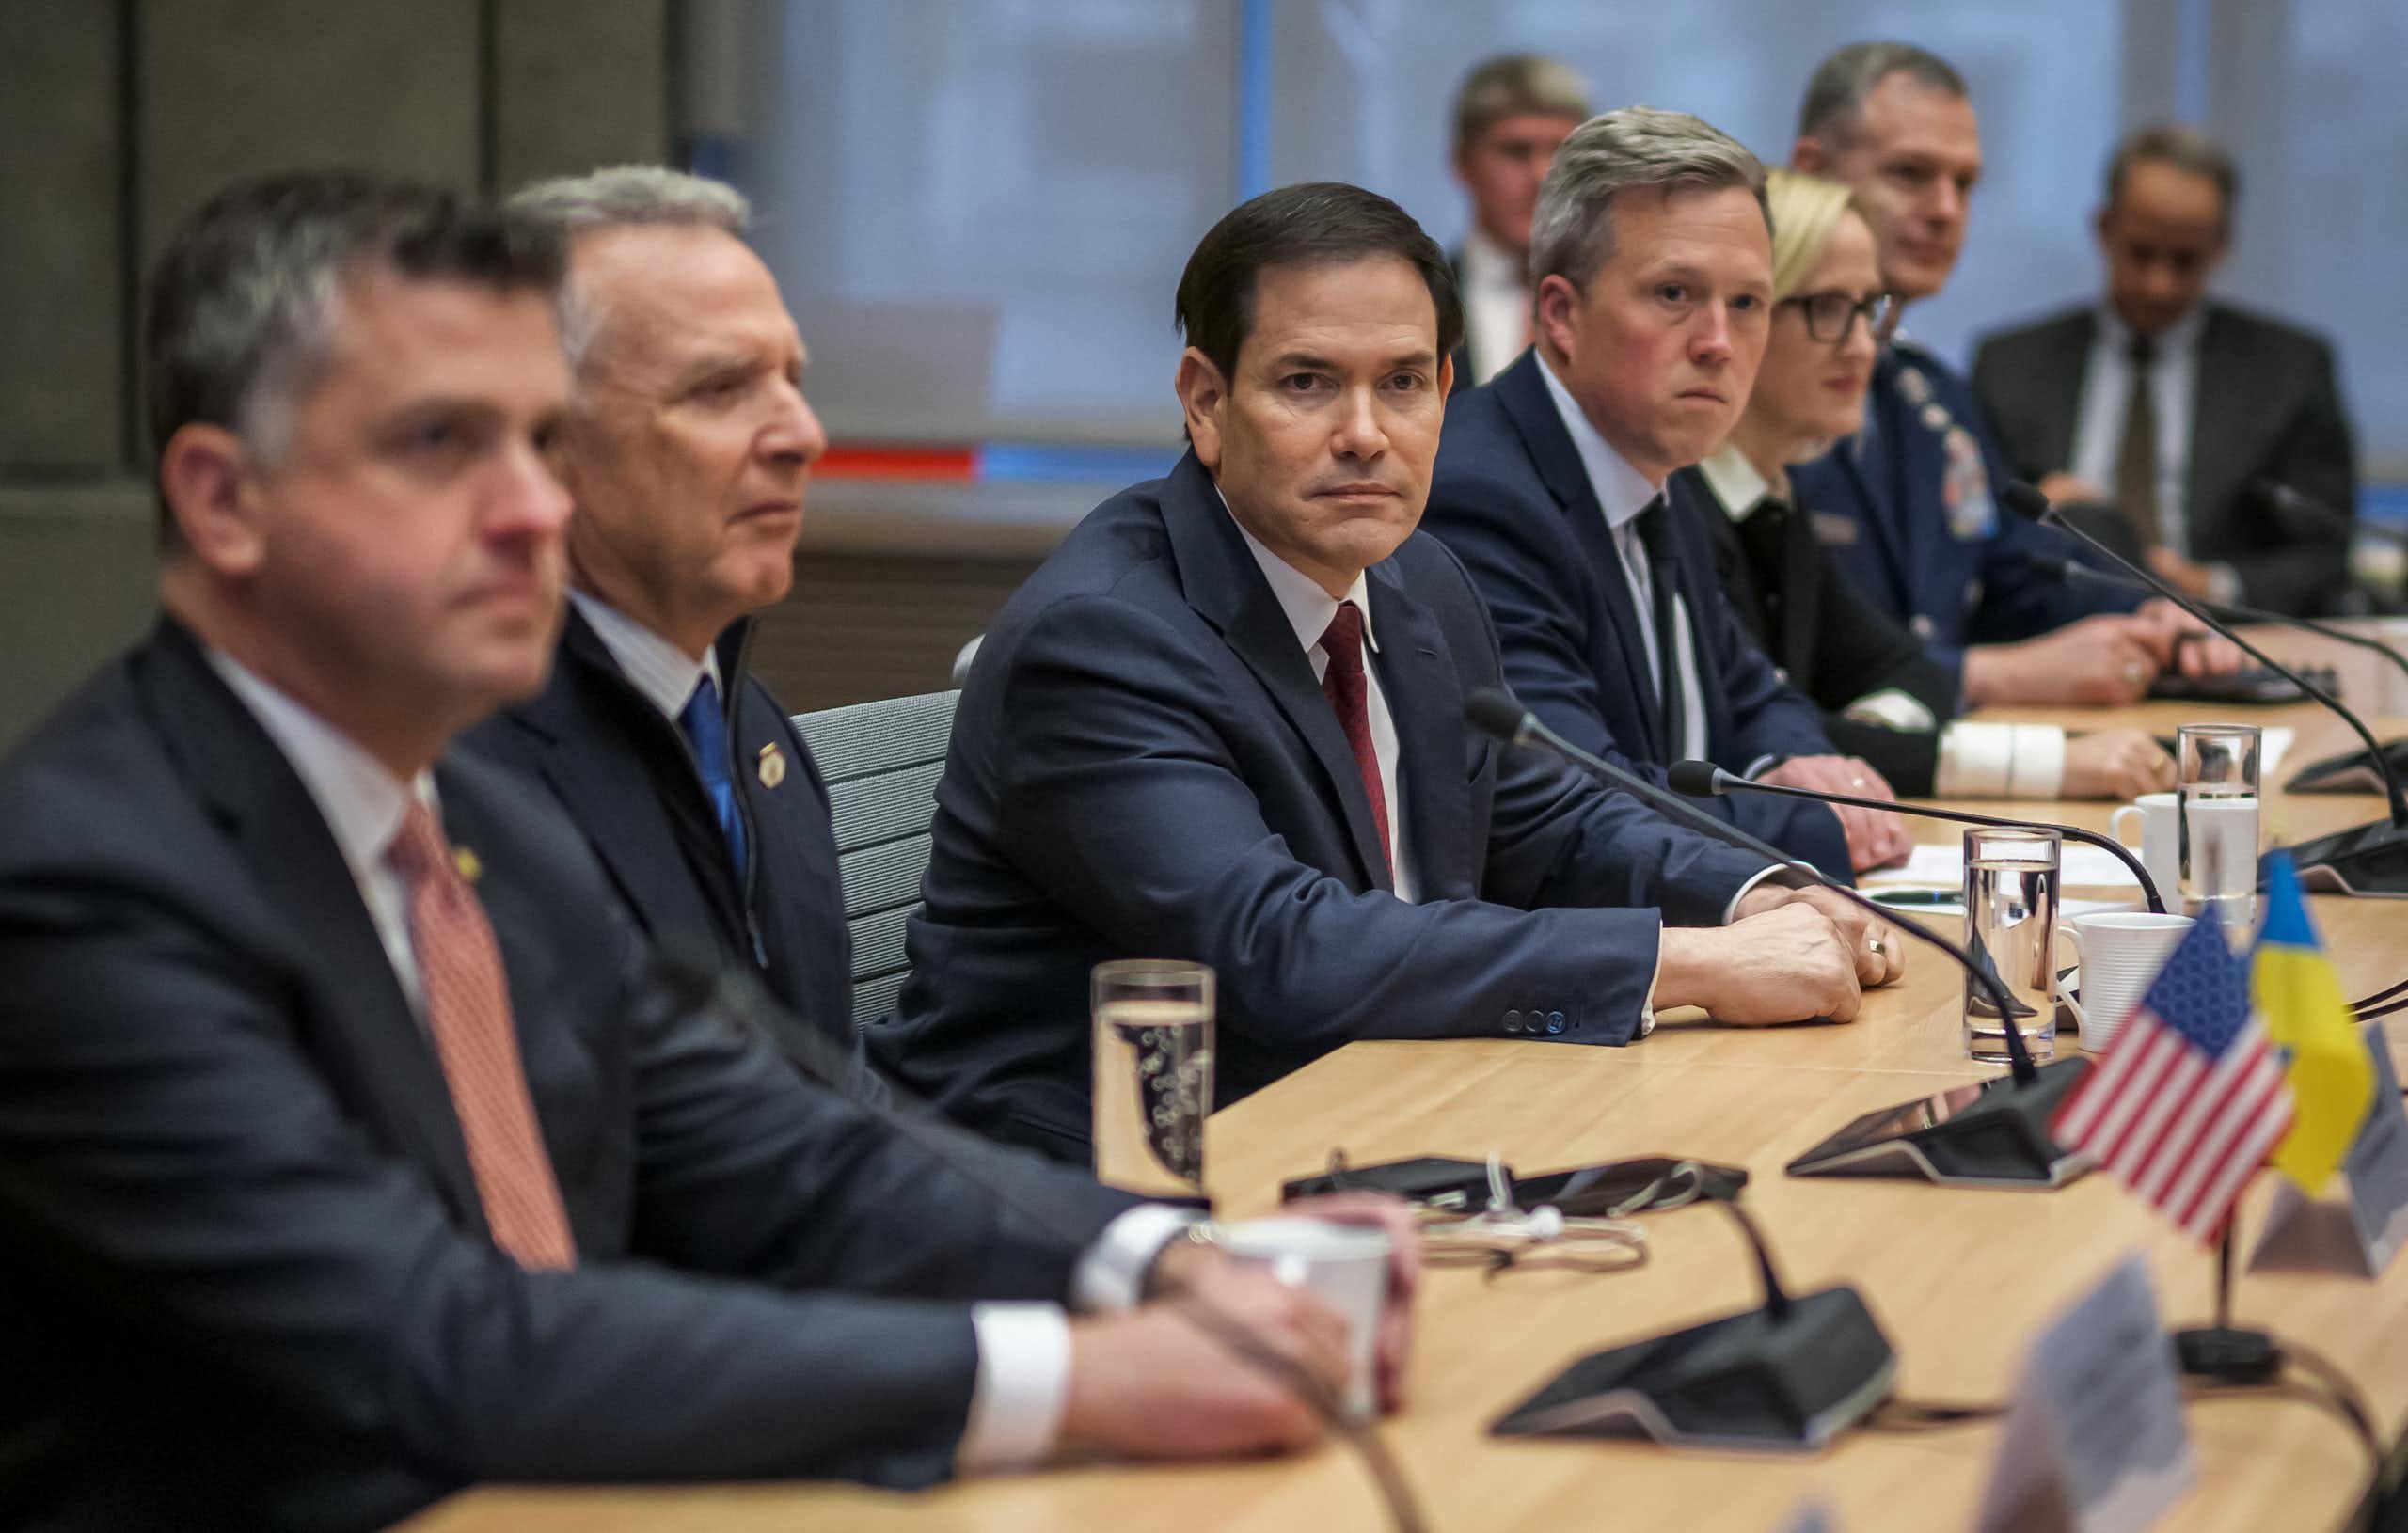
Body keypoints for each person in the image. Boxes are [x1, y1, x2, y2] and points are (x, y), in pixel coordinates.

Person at [0, 170, 1416, 1533]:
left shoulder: (465, 822)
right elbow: (446, 1341)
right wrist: (1072, 1377)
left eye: (536, 442)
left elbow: (785, 1148)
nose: (531, 508)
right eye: (443, 444)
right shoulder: (87, 887)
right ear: (224, 501)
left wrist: (1170, 1258)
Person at [870, 181, 1899, 1165]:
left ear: (1445, 393)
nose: (1364, 435)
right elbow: (1278, 948)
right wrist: (1686, 963)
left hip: (1382, 1112)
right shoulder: (1104, 637)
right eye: (1307, 383)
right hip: (1099, 1179)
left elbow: (1548, 827)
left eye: (1401, 383)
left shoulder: (1418, 583)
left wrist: (1758, 894)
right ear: (1206, 401)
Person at [1424, 106, 1912, 879]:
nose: (1719, 343)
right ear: (1561, 315)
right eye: (1675, 293)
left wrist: (1802, 766)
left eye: (1747, 303)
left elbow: (1755, 692)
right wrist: (1813, 823)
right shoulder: (1483, 498)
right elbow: (1569, 809)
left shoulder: (1659, 466)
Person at [463, 167, 852, 1065]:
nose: (803, 435)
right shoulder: (462, 771)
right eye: (720, 389)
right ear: (541, 440)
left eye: (793, 378)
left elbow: (830, 1089)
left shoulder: (754, 727)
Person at [1683, 169, 2175, 801]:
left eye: (1870, 309)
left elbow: (1902, 672)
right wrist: (2049, 763)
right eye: (1827, 309)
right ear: (1742, 317)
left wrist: (1870, 735)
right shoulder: (1683, 509)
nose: (1862, 347)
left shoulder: (1770, 501)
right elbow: (1746, 740)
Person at [1784, 42, 2231, 707]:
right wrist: (1996, 676)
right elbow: (1778, 666)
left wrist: (2149, 617)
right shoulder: (1750, 390)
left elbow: (2014, 577)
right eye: (1910, 173)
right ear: (1812, 171)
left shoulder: (1934, 398)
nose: (1946, 209)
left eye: (1965, 184)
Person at [1972, 124, 2357, 616]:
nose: (2159, 284)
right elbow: (1965, 528)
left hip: (2219, 632)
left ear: (2221, 244)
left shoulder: (2290, 371)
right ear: (2103, 228)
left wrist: (2211, 585)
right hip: (2054, 625)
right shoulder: (2009, 365)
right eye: (2141, 253)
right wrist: (2035, 520)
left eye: (2184, 260)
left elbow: (2323, 552)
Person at [1448, 54, 1592, 387]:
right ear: (1464, 163)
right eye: (1515, 151)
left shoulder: (1621, 302)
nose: (1541, 174)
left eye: (1560, 152)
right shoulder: (1420, 298)